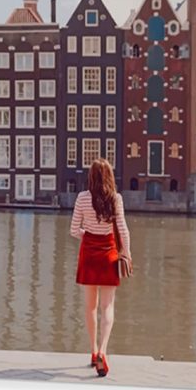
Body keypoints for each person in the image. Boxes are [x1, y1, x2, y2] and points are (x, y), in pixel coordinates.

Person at [70, 158, 131, 377]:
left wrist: (88, 236)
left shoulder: (82, 198)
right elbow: (123, 230)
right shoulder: (116, 199)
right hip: (108, 254)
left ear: (91, 177)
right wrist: (127, 253)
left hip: (89, 253)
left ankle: (93, 350)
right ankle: (104, 351)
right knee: (108, 306)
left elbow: (73, 229)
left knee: (90, 307)